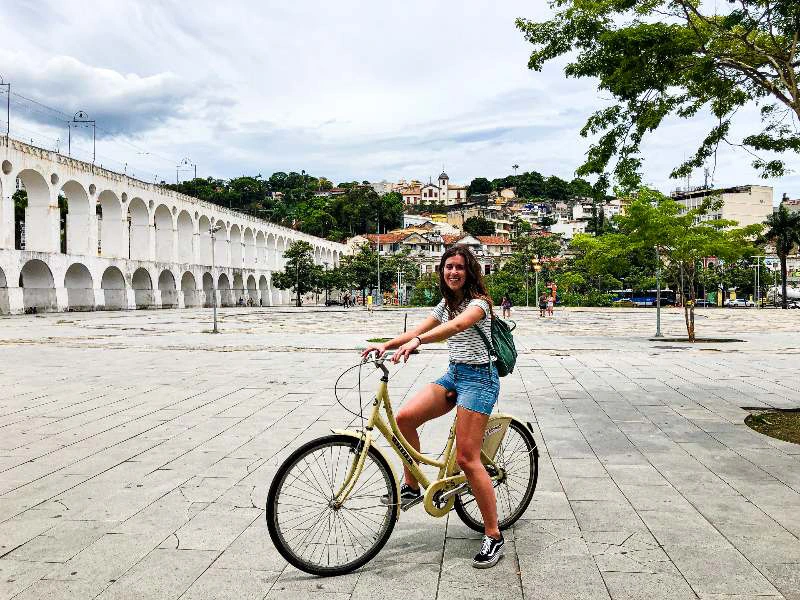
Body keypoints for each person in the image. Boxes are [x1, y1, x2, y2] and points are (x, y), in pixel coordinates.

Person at [361, 245, 504, 569]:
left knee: (468, 459)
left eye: (459, 267)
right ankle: (411, 486)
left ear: (470, 272)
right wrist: (386, 344)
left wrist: (419, 344)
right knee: (404, 418)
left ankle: (493, 535)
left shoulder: (479, 304)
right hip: (455, 373)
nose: (453, 272)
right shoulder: (446, 303)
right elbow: (417, 330)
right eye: (448, 267)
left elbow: (454, 328)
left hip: (480, 379)